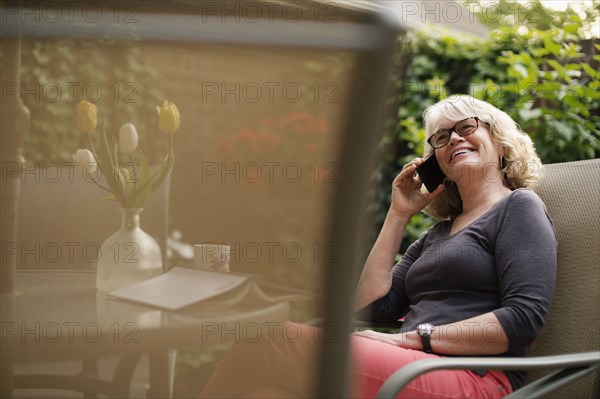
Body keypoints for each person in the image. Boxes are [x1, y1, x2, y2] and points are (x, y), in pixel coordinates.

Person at [199, 95, 557, 398]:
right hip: (412, 365)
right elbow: (369, 308)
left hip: (475, 376)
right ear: (437, 164)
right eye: (441, 138)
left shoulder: (519, 206)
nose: (454, 140)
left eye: (466, 128)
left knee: (275, 344)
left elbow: (523, 320)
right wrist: (398, 213)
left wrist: (412, 340)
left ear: (499, 141)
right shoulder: (435, 235)